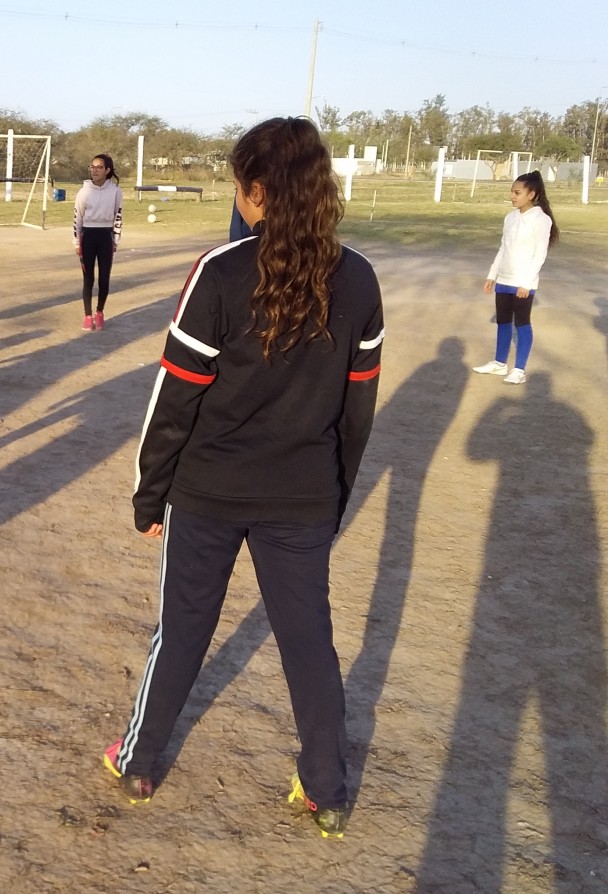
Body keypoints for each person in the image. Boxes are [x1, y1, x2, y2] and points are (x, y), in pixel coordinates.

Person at [102, 117, 384, 839]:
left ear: (258, 191)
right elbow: (358, 416)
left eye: (239, 185)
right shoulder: (358, 277)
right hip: (304, 500)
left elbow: (174, 398)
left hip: (208, 491)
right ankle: (326, 788)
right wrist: (335, 498)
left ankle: (138, 760)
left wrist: (149, 490)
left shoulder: (221, 271)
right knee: (309, 641)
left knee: (184, 628)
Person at [473, 170, 558, 385]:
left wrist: (526, 283)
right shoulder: (510, 218)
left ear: (532, 194)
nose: (512, 196)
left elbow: (540, 254)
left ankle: (519, 370)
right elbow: (504, 248)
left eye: (517, 192)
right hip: (504, 280)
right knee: (503, 322)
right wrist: (492, 275)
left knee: (521, 323)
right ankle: (500, 364)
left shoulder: (541, 220)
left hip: (523, 282)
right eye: (512, 192)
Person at [72, 153, 123, 331]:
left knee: (104, 278)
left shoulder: (116, 191)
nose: (94, 170)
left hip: (105, 237)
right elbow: (77, 218)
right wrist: (77, 242)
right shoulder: (84, 191)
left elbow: (118, 216)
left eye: (99, 167)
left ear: (107, 170)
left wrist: (115, 239)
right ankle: (87, 315)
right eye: (92, 167)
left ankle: (99, 312)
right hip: (88, 236)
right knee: (88, 278)